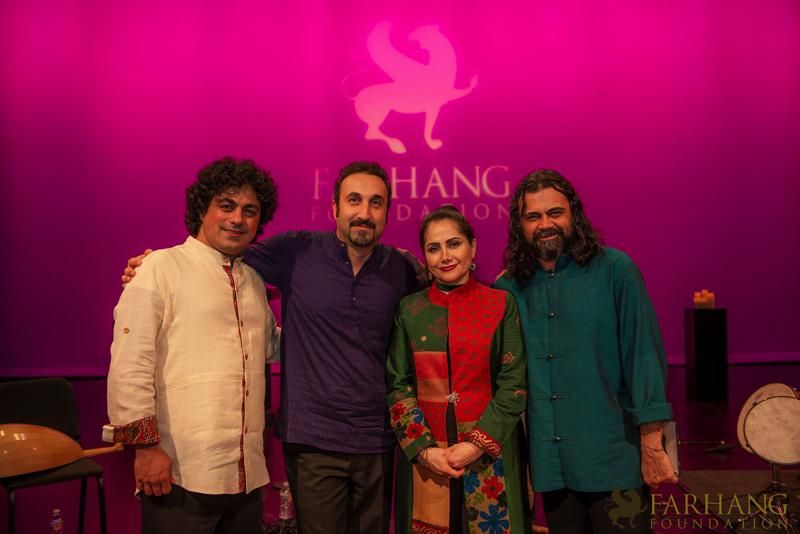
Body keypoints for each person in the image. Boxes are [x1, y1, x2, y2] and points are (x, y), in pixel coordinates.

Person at [122, 161, 424, 534]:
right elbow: (131, 364)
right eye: (354, 200)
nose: (364, 212)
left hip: (358, 443)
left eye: (376, 202)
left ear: (388, 211)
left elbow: (269, 343)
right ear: (334, 207)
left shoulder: (401, 270)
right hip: (277, 446)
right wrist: (153, 263)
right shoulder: (293, 251)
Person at [494, 169, 677, 533]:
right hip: (552, 467)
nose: (545, 224)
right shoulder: (508, 289)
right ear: (519, 225)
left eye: (555, 213)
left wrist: (652, 446)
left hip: (615, 459)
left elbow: (643, 358)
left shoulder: (617, 271)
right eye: (533, 216)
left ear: (574, 214)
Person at [104, 157, 280, 534]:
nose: (238, 219)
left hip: (247, 475)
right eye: (227, 206)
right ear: (202, 209)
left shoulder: (252, 280)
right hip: (179, 472)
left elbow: (271, 348)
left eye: (249, 211)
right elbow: (130, 364)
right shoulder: (160, 268)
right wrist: (146, 449)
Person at [387, 206, 530, 534]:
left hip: (491, 450)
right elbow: (398, 384)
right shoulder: (410, 310)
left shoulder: (501, 303)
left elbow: (514, 383)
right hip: (427, 455)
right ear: (425, 257)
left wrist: (476, 444)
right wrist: (425, 450)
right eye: (433, 248)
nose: (445, 256)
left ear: (473, 247)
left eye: (454, 244)